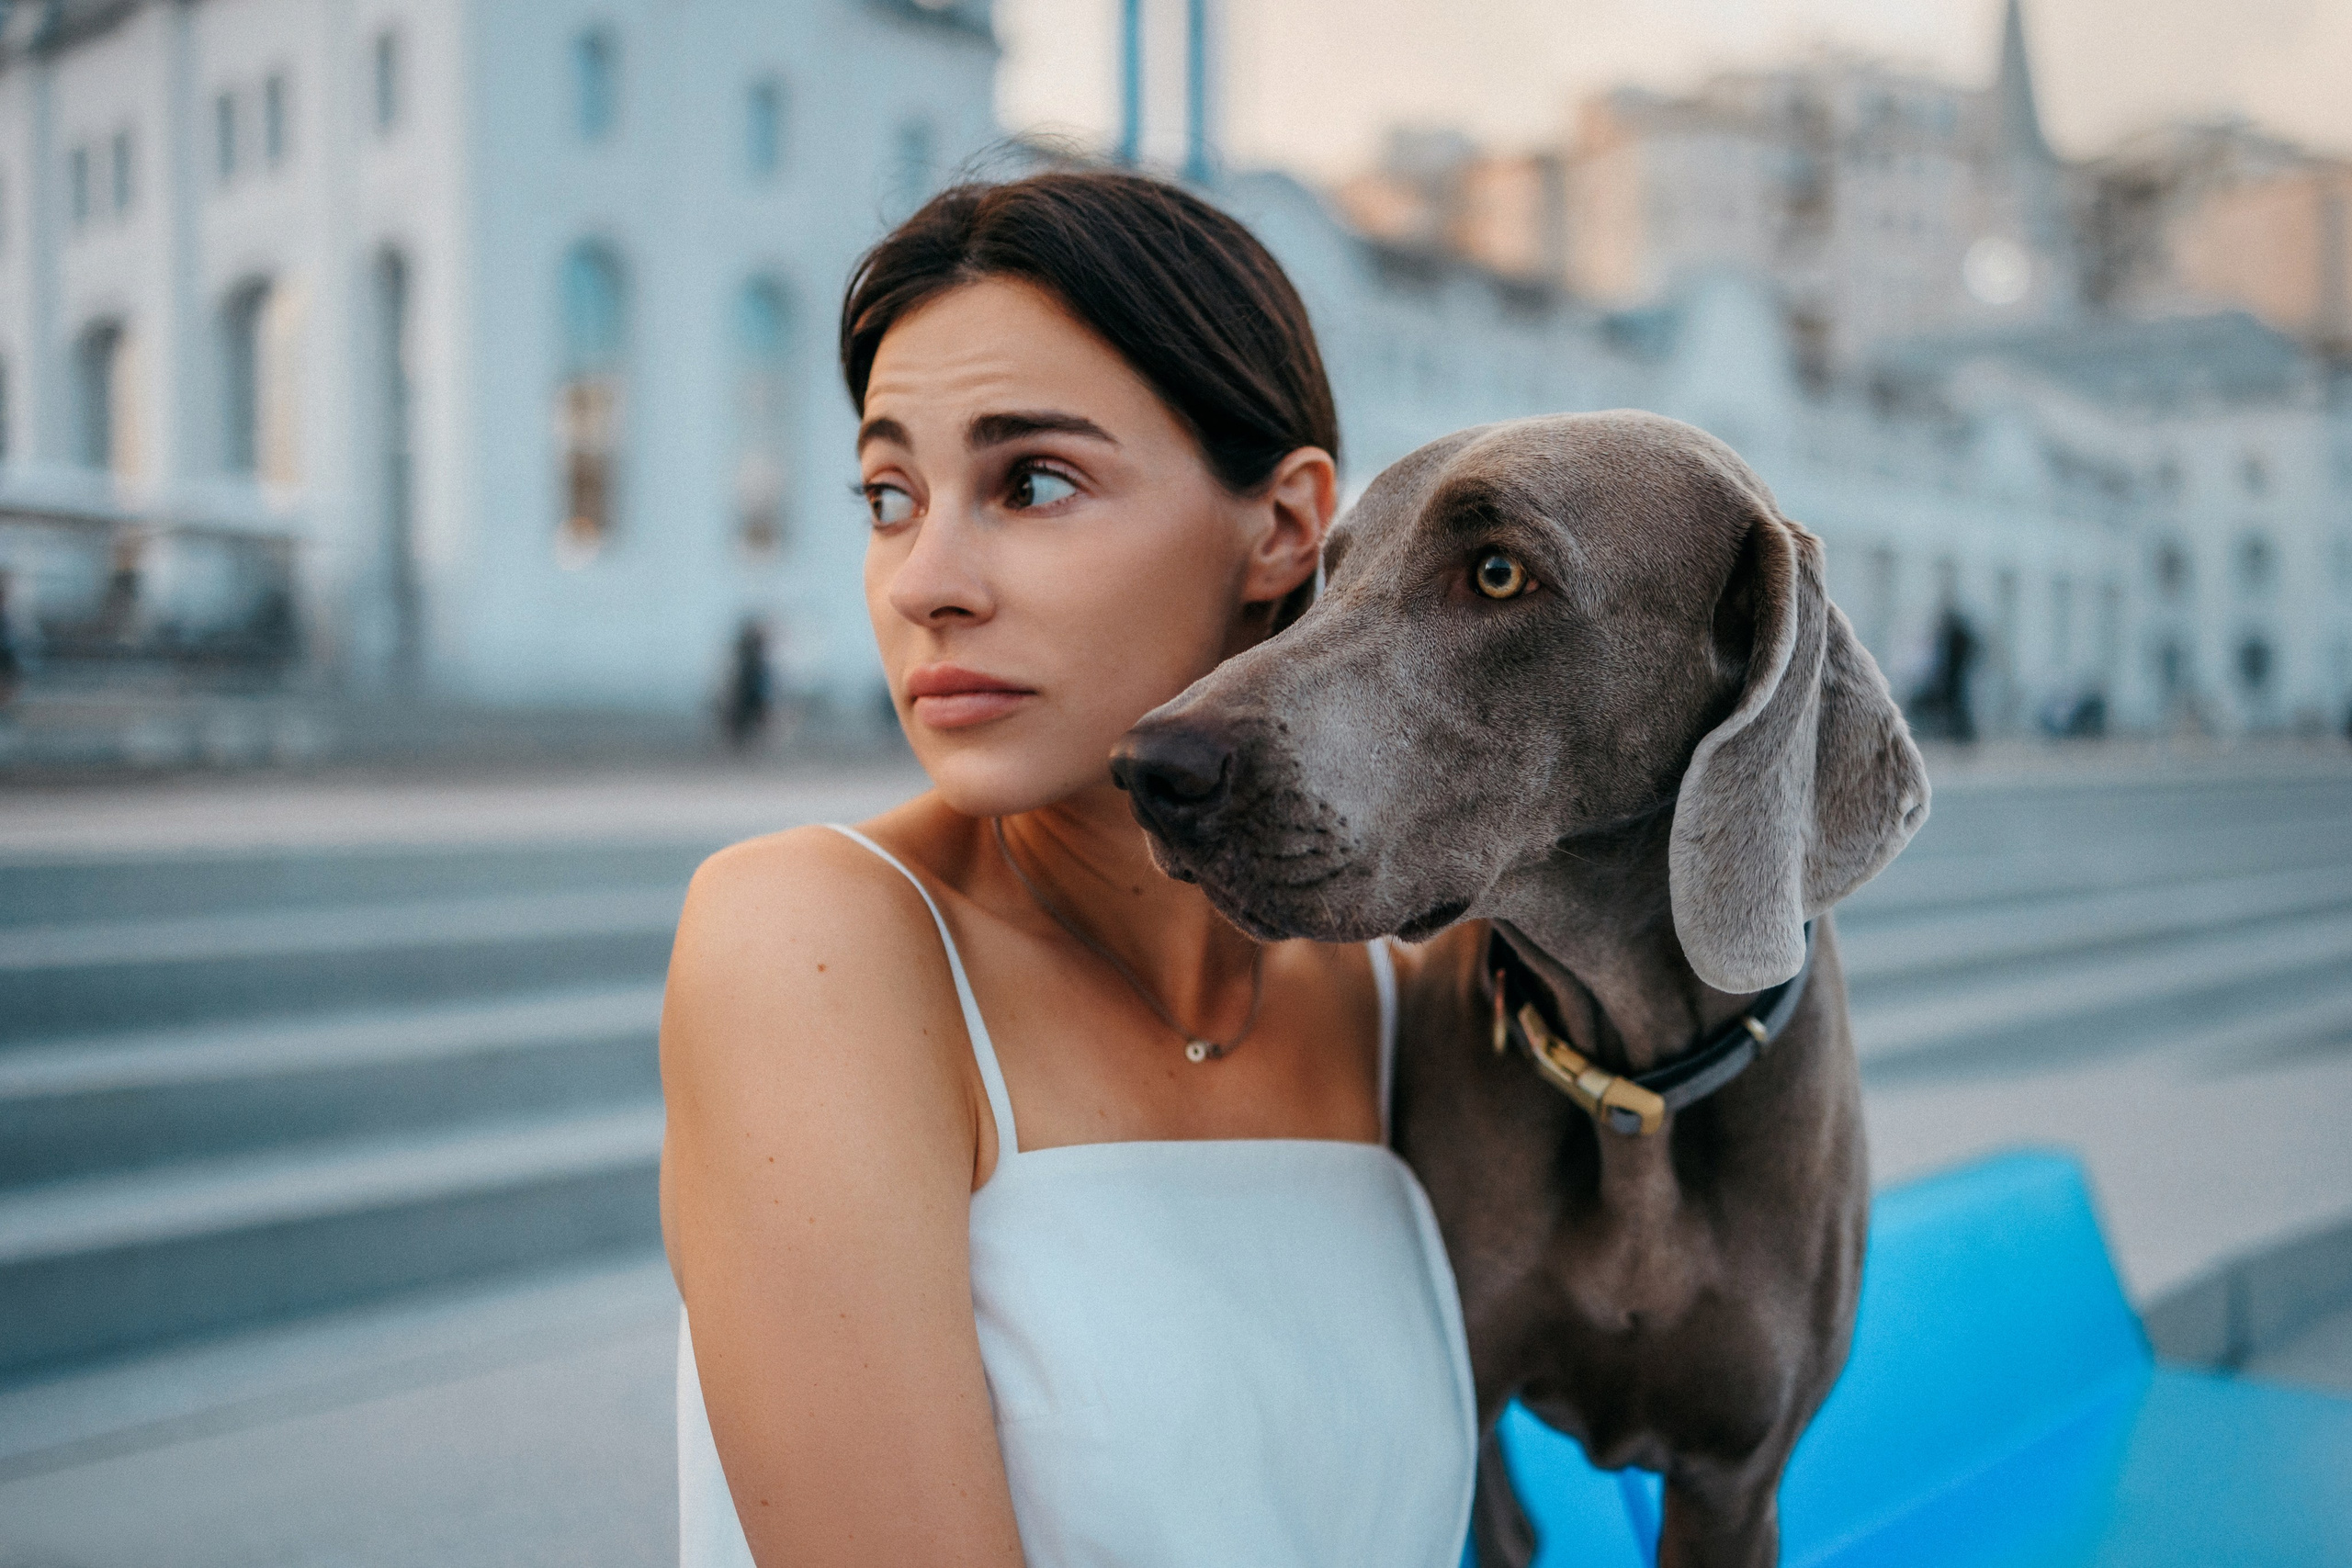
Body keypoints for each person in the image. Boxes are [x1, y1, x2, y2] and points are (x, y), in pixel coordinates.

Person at [660, 171, 1476, 1568]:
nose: (926, 579)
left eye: (1031, 482)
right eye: (888, 494)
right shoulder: (815, 942)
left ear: (1283, 529)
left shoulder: (1398, 995)